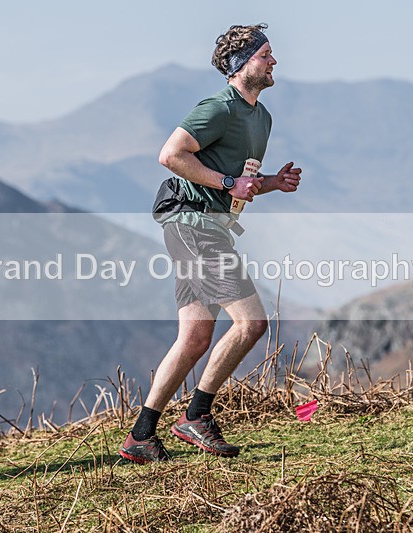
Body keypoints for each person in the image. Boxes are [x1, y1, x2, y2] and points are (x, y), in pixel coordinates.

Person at [119, 23, 303, 464]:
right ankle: (197, 415)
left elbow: (239, 183)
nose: (274, 61)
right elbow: (171, 155)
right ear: (241, 66)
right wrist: (227, 181)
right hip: (192, 224)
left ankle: (141, 436)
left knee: (196, 337)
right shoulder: (218, 107)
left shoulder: (261, 116)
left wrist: (271, 183)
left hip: (212, 226)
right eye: (266, 55)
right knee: (251, 324)